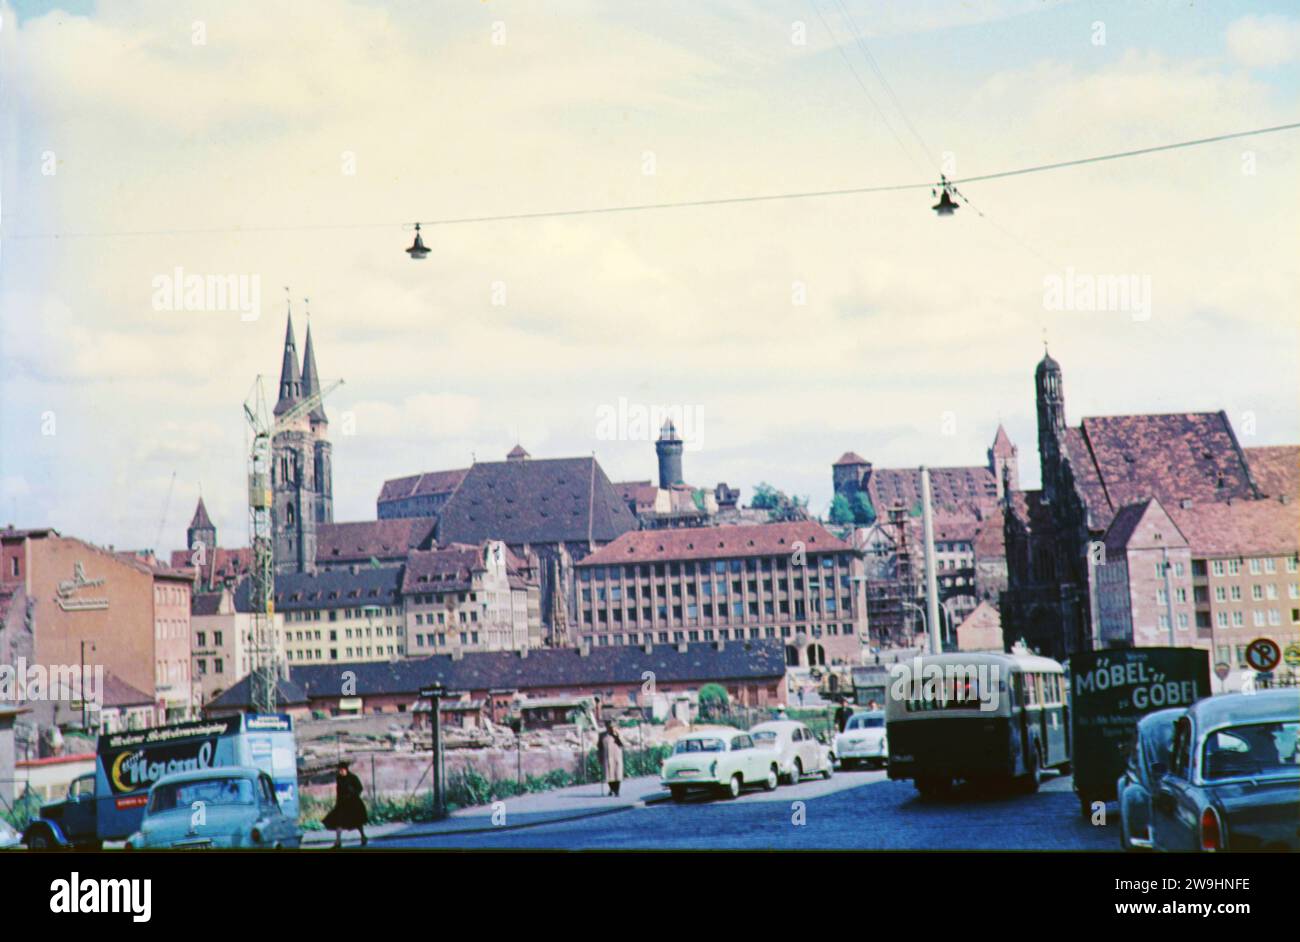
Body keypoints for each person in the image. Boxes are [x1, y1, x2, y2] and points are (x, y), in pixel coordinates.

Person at [323, 760, 368, 848]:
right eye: (339, 770)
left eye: (342, 770)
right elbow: (338, 792)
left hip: (354, 804)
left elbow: (359, 788)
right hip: (342, 804)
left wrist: (353, 793)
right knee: (338, 822)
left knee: (357, 822)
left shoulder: (353, 777)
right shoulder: (339, 778)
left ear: (346, 770)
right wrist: (337, 803)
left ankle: (363, 836)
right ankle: (338, 841)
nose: (341, 772)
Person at [597, 720, 625, 797]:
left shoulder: (618, 734)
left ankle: (617, 790)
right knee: (609, 775)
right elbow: (599, 747)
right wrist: (599, 757)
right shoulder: (602, 735)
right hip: (607, 757)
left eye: (612, 727)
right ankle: (612, 789)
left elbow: (622, 744)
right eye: (609, 727)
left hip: (616, 757)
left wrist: (616, 735)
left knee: (617, 774)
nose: (610, 728)